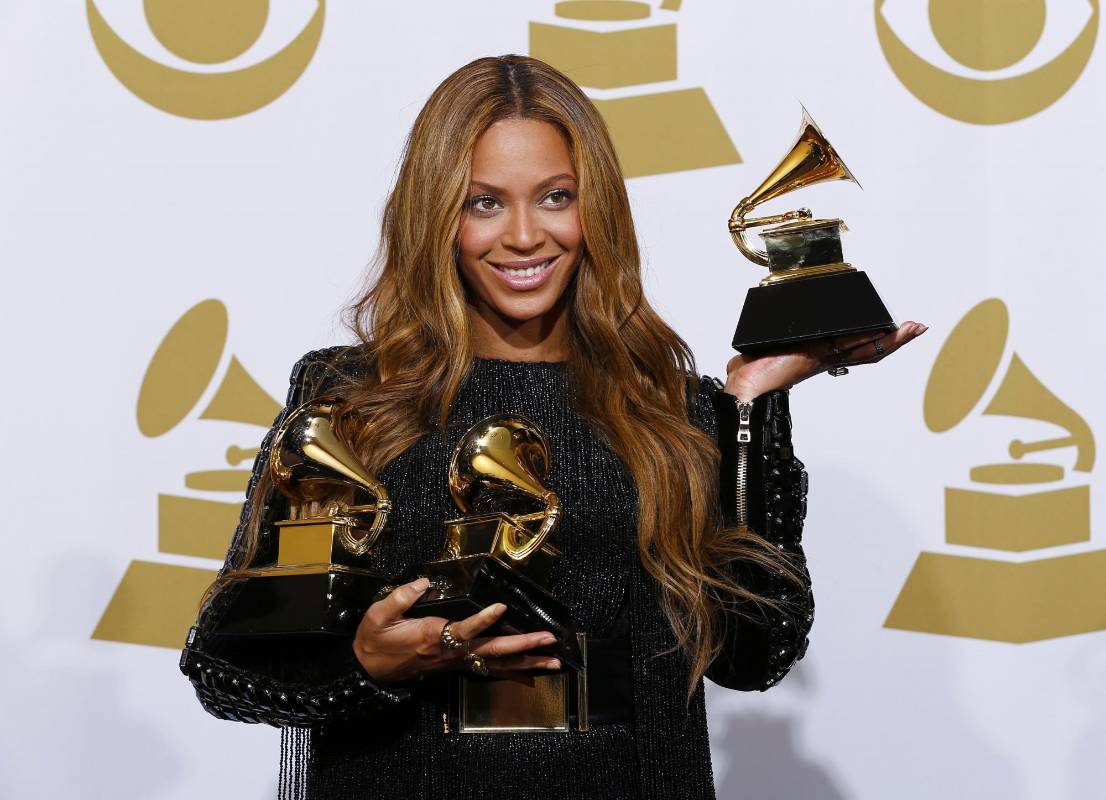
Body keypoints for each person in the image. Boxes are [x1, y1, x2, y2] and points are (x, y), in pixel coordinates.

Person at [180, 55, 925, 800]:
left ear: (594, 208)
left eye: (555, 197)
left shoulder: (674, 411)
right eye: (484, 204)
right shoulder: (349, 399)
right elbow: (230, 667)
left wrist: (751, 406)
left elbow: (754, 655)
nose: (526, 235)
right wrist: (367, 662)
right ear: (435, 216)